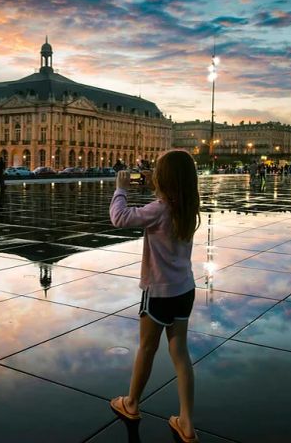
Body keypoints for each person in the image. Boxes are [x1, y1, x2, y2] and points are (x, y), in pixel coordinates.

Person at [109, 150, 201, 443]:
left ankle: (132, 403)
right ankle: (186, 421)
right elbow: (167, 197)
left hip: (159, 292)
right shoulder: (188, 206)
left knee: (147, 349)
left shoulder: (159, 209)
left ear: (165, 178)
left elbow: (120, 218)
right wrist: (155, 183)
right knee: (180, 354)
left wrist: (120, 189)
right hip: (184, 289)